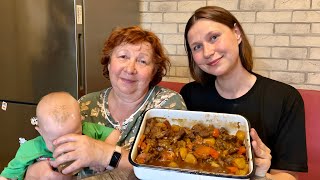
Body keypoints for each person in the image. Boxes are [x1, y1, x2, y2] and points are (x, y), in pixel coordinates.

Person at [25, 26, 187, 178]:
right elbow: (45, 150)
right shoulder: (85, 105)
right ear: (109, 63)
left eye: (142, 61)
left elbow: (172, 170)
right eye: (123, 56)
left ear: (153, 72)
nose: (130, 69)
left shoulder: (168, 104)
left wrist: (104, 153)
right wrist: (35, 171)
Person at [180, 6, 308, 180]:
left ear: (237, 33)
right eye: (197, 47)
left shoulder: (285, 98)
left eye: (214, 37)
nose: (208, 52)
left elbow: (288, 176)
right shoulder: (189, 95)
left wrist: (261, 175)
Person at [0, 92, 119, 180]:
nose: (66, 146)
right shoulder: (30, 149)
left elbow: (114, 133)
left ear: (81, 123)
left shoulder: (88, 130)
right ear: (40, 132)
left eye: (74, 137)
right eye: (56, 142)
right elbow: (6, 176)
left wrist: (101, 156)